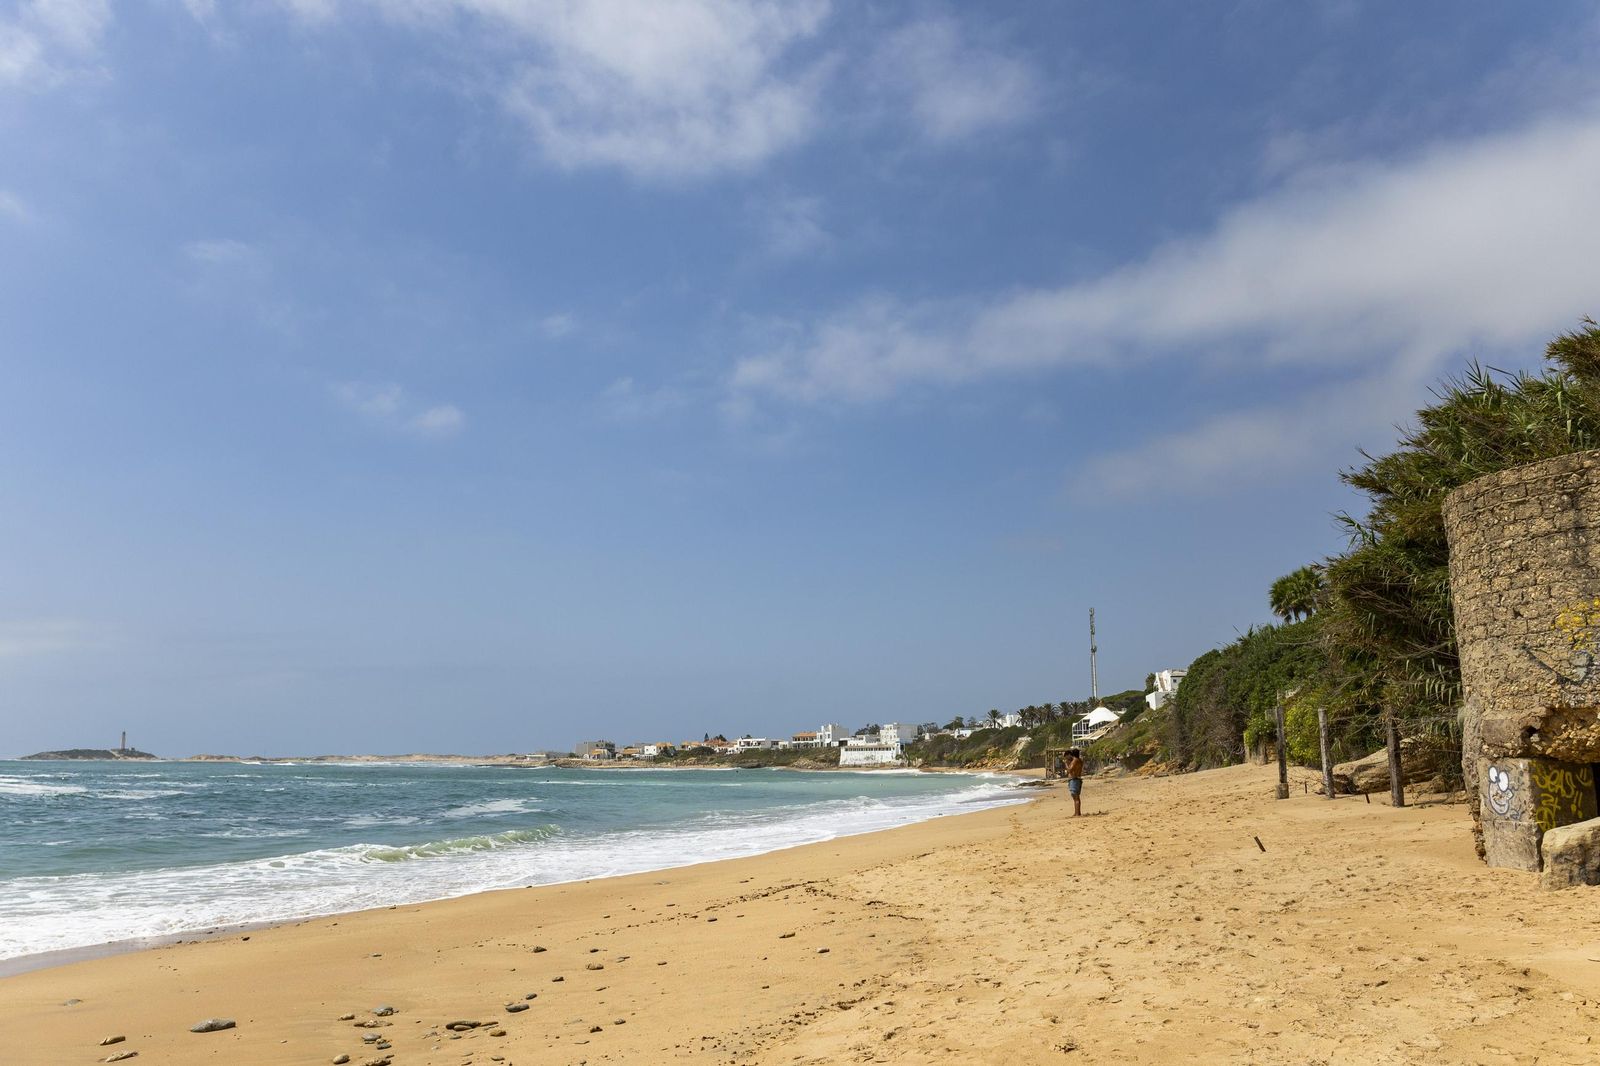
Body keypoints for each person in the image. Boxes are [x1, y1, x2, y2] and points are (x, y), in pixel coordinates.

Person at [1065, 747, 1084, 816]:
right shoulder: (1080, 760)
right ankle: (1077, 812)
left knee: (1075, 797)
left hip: (1074, 780)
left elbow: (1070, 770)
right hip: (1077, 779)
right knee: (1076, 797)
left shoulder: (1075, 760)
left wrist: (1066, 764)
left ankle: (1077, 813)